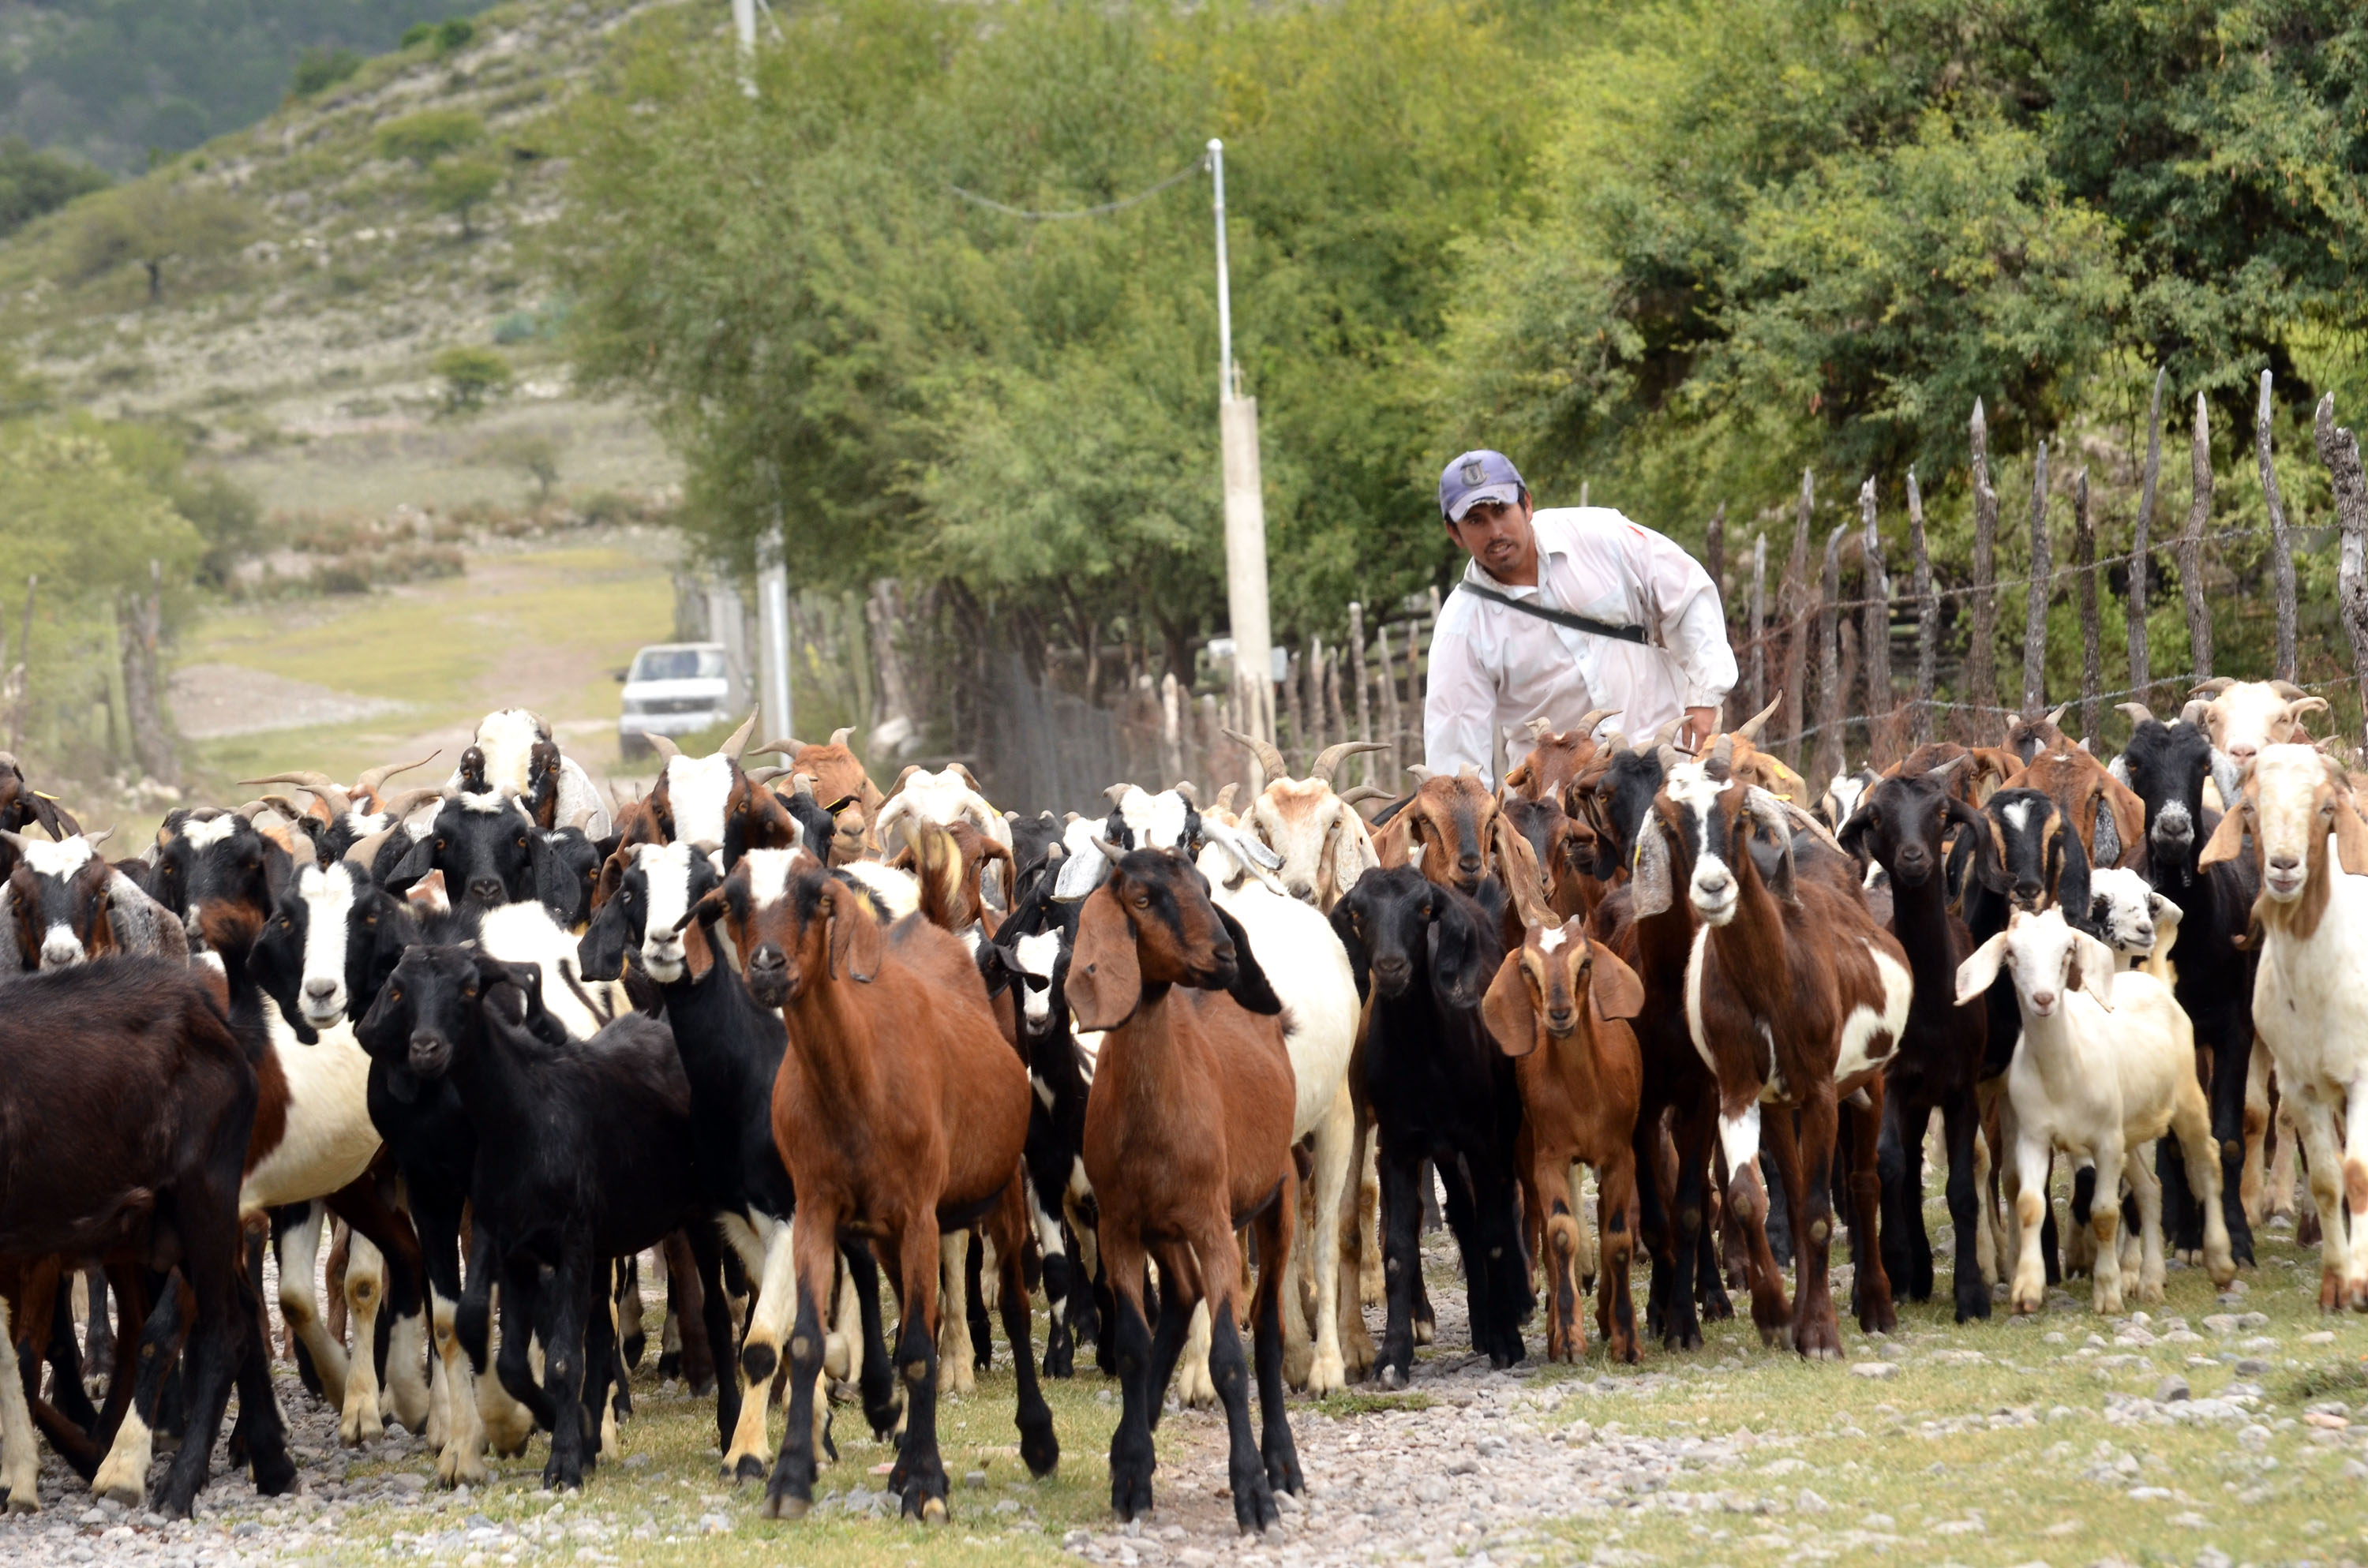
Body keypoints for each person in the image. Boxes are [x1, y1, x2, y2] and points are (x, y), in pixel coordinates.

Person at [1423, 449, 1736, 785]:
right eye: (1475, 521)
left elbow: (1688, 593)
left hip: (1668, 765)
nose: (1495, 531)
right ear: (1454, 533)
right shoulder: (1460, 631)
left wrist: (1703, 700)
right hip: (1565, 804)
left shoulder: (1599, 536)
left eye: (1501, 510)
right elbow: (1456, 759)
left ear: (1526, 504)